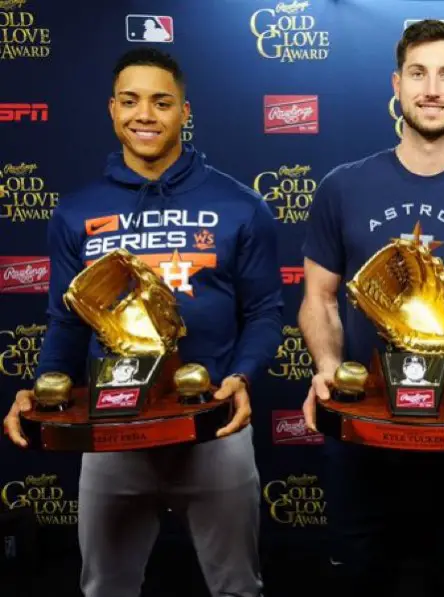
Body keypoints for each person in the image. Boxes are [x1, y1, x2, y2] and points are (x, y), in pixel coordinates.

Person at [2, 48, 283, 597]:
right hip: (112, 431)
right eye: (130, 101)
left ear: (184, 111)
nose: (145, 115)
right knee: (106, 587)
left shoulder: (240, 205)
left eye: (161, 102)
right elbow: (65, 319)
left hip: (213, 424)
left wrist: (243, 377)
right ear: (112, 110)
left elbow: (266, 312)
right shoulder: (76, 212)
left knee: (237, 588)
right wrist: (43, 388)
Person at [299, 20, 444, 597]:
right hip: (364, 434)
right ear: (397, 85)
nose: (433, 88)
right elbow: (319, 299)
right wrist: (328, 366)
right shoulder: (342, 186)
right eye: (419, 73)